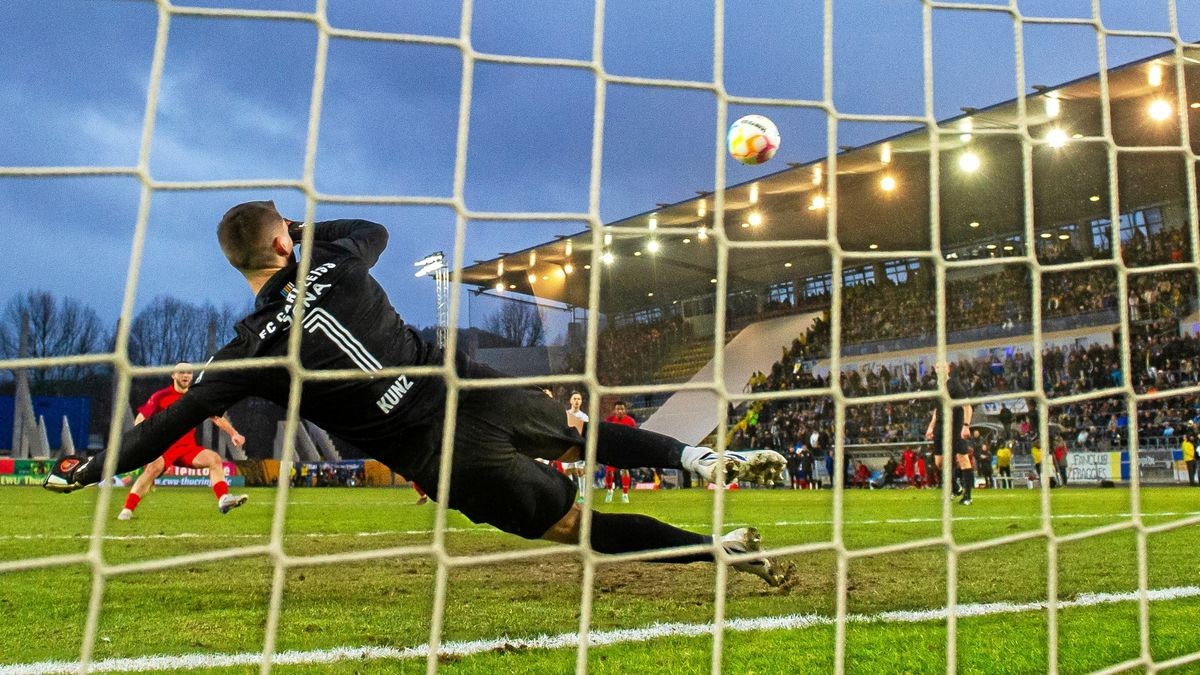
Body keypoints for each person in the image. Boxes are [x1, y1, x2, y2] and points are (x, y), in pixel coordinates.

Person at [46, 202, 789, 586]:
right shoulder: (335, 261)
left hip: (436, 451)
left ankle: (713, 550)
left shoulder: (247, 349)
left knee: (574, 524)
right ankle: (694, 456)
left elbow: (175, 415)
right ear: (284, 241)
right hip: (464, 387)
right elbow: (374, 228)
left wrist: (92, 463)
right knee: (576, 428)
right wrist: (307, 228)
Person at [117, 363, 248, 520]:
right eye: (182, 372)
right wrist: (140, 442)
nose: (186, 376)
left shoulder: (196, 396)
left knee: (214, 459)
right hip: (164, 447)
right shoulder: (161, 396)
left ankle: (223, 499)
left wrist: (234, 433)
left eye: (189, 373)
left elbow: (216, 417)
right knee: (152, 469)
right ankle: (127, 509)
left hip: (187, 448)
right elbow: (141, 419)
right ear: (173, 375)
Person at [925, 362, 975, 505]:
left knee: (962, 458)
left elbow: (967, 406)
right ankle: (955, 487)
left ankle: (968, 496)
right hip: (940, 426)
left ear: (948, 369)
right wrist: (931, 426)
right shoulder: (937, 387)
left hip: (955, 426)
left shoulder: (954, 384)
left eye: (942, 366)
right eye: (937, 366)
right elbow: (937, 409)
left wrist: (966, 426)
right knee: (939, 462)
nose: (939, 368)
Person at [602, 400, 636, 503]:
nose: (620, 411)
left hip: (624, 450)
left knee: (625, 471)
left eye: (622, 409)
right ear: (614, 410)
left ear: (625, 410)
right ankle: (609, 491)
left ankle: (625, 494)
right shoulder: (609, 421)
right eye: (618, 409)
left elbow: (634, 437)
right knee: (609, 472)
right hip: (612, 450)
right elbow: (605, 436)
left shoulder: (630, 422)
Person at [565, 391, 590, 503]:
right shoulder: (565, 414)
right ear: (570, 401)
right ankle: (569, 495)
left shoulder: (584, 417)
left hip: (578, 446)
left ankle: (582, 496)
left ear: (581, 402)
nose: (576, 401)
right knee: (567, 471)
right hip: (567, 447)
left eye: (579, 399)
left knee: (580, 471)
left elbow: (585, 432)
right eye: (574, 398)